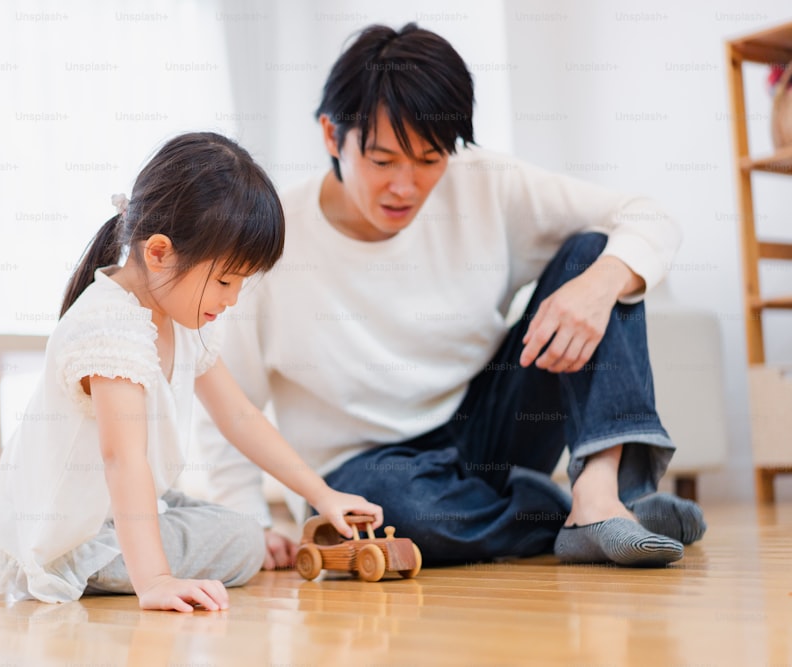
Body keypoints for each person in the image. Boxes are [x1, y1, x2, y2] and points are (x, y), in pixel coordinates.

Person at [197, 24, 706, 569]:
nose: (406, 186)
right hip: (368, 469)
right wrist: (249, 519)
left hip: (487, 427)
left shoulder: (487, 185)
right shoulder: (272, 239)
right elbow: (230, 399)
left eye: (429, 158)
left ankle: (600, 492)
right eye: (383, 160)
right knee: (405, 513)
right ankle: (578, 517)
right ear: (331, 136)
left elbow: (649, 218)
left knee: (600, 253)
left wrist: (601, 282)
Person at [0, 132, 383, 612]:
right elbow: (123, 462)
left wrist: (323, 493)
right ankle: (182, 557)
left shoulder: (178, 316)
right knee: (246, 539)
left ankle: (220, 542)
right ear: (159, 252)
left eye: (241, 284)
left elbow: (240, 417)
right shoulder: (111, 326)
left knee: (228, 524)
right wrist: (157, 582)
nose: (231, 300)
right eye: (226, 280)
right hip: (74, 538)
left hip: (113, 510)